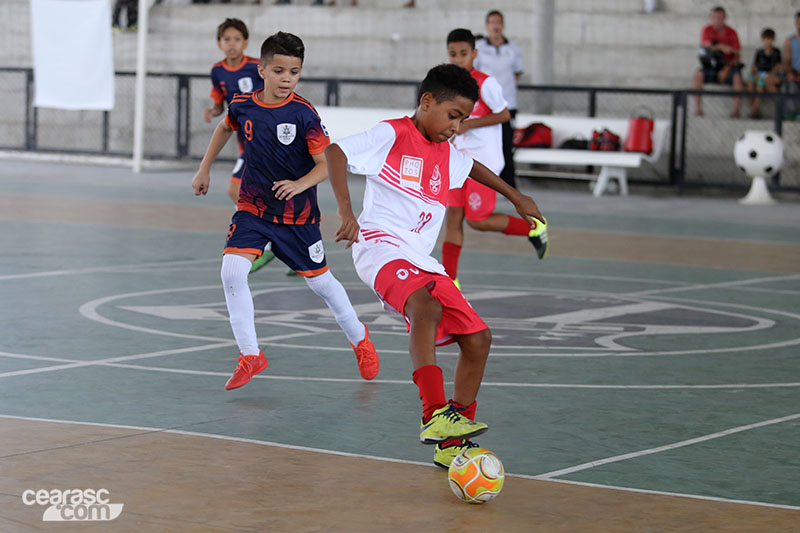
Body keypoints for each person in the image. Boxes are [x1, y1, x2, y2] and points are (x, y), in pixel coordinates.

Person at [325, 64, 546, 468]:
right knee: (425, 308)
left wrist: (517, 198)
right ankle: (434, 415)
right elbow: (335, 151)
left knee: (478, 339)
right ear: (426, 102)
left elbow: (472, 168)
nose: (457, 127)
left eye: (462, 119)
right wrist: (345, 208)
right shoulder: (392, 133)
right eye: (453, 116)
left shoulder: (446, 151)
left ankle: (452, 443)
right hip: (379, 246)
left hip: (421, 259)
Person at [192, 31, 380, 390]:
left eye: (294, 72)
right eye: (279, 71)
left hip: (298, 217)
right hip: (253, 208)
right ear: (261, 69)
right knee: (231, 272)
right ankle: (251, 355)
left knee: (323, 284)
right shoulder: (243, 104)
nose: (286, 79)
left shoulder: (304, 114)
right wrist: (204, 169)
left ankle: (360, 340)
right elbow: (223, 128)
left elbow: (326, 164)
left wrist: (300, 184)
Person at [443, 28, 548, 289]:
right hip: (457, 160)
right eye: (453, 54)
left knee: (478, 221)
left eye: (463, 54)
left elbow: (504, 115)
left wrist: (470, 124)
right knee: (453, 218)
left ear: (475, 54)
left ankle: (533, 228)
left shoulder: (485, 83)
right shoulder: (447, 85)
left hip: (484, 161)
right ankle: (450, 280)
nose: (458, 59)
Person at [204, 19, 279, 274]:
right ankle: (295, 249)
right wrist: (213, 110)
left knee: (236, 189)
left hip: (264, 140)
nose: (232, 44)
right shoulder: (218, 71)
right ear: (219, 44)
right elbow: (219, 100)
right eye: (227, 39)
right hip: (244, 143)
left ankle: (264, 242)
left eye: (237, 39)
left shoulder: (256, 67)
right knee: (267, 195)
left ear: (246, 42)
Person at [474, 10, 524, 188]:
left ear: (503, 25)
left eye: (499, 22)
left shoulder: (513, 49)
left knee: (505, 146)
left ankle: (509, 186)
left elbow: (517, 73)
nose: (496, 26)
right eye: (492, 23)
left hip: (507, 104)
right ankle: (484, 184)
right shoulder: (479, 47)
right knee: (484, 145)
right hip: (484, 107)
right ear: (487, 26)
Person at [692, 6, 744, 117]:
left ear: (724, 18)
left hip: (727, 65)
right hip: (711, 65)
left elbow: (736, 53)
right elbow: (706, 45)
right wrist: (721, 46)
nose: (717, 21)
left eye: (719, 18)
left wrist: (726, 69)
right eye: (714, 18)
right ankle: (698, 109)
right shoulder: (707, 30)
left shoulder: (732, 32)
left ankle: (736, 111)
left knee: (737, 78)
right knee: (698, 74)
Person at [747, 28, 782, 119]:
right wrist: (753, 74)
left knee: (760, 84)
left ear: (773, 40)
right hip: (760, 75)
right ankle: (754, 108)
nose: (767, 42)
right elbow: (755, 66)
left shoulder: (776, 52)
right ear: (762, 40)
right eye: (766, 39)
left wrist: (769, 74)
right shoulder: (759, 52)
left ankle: (754, 110)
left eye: (769, 39)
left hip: (769, 76)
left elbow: (778, 66)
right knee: (750, 82)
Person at [783, 11, 800, 118]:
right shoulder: (790, 40)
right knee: (787, 85)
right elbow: (787, 60)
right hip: (794, 74)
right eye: (797, 22)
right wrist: (789, 72)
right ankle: (791, 113)